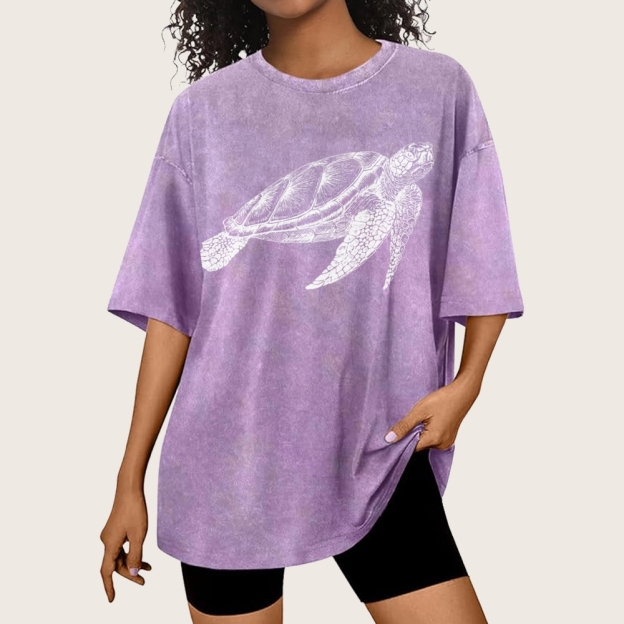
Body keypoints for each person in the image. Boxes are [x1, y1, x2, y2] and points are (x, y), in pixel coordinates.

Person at [99, 1, 525, 622]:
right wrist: (128, 479)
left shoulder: (438, 89)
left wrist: (469, 382)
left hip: (377, 446)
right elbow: (171, 309)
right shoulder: (203, 112)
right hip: (228, 460)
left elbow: (480, 251)